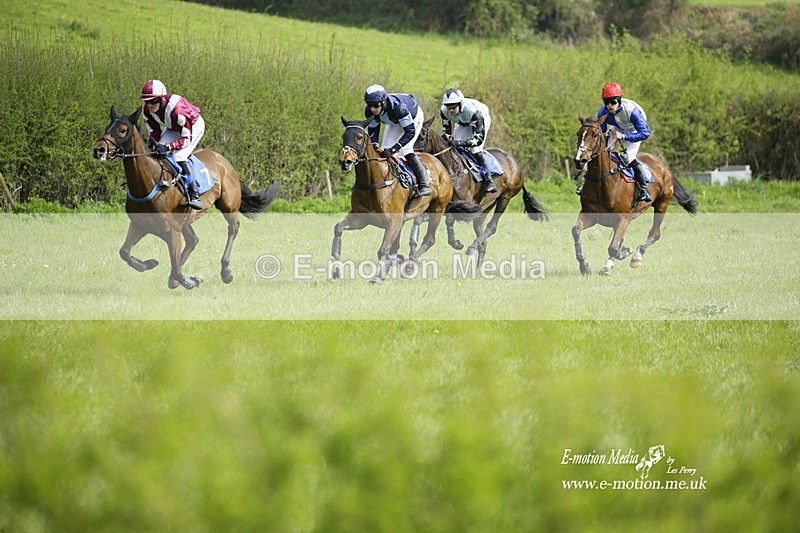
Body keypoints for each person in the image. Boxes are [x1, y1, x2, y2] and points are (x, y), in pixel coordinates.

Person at [139, 79, 205, 209]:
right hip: (173, 127)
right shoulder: (147, 111)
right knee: (157, 154)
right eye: (146, 102)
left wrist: (168, 147)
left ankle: (193, 194)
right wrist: (154, 143)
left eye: (153, 101)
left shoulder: (177, 110)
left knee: (179, 156)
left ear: (161, 99)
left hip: (193, 127)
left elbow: (186, 137)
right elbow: (155, 132)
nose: (149, 105)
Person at [363, 84, 431, 197]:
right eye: (369, 105)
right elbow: (373, 129)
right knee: (383, 150)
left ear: (383, 102)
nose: (372, 109)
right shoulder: (369, 111)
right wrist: (375, 145)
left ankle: (424, 183)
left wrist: (394, 148)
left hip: (412, 118)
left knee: (405, 149)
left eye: (375, 105)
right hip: (393, 121)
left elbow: (410, 132)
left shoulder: (398, 107)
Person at [596, 82, 652, 203]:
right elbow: (602, 130)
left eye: (613, 102)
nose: (610, 105)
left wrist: (624, 135)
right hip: (618, 127)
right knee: (604, 152)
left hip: (635, 130)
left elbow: (645, 133)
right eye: (606, 102)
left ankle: (644, 189)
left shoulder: (633, 112)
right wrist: (604, 134)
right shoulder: (603, 113)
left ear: (619, 99)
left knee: (629, 157)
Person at [440, 88, 496, 193]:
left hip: (480, 119)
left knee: (475, 149)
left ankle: (489, 180)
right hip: (462, 122)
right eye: (448, 107)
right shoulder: (444, 111)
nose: (450, 110)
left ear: (460, 103)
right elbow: (446, 131)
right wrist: (448, 139)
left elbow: (478, 140)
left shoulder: (474, 112)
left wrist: (459, 143)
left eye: (453, 107)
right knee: (452, 148)